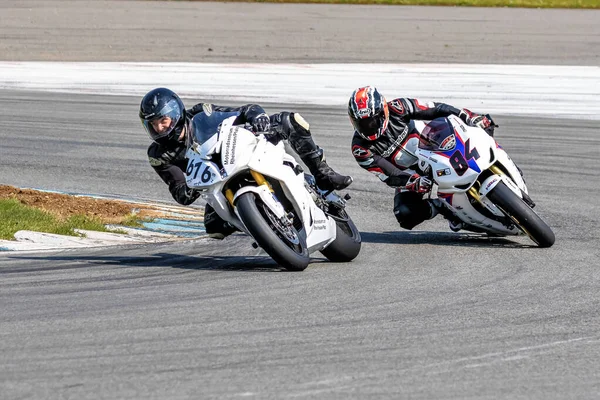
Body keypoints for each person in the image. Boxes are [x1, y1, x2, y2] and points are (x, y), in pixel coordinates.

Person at [140, 87, 352, 239]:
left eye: (162, 121)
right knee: (214, 228)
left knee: (291, 121)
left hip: (239, 150)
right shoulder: (159, 154)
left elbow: (243, 110)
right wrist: (193, 185)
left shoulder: (199, 113)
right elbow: (179, 192)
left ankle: (322, 173)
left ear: (175, 114)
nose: (159, 128)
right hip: (217, 183)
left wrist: (257, 117)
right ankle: (265, 228)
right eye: (153, 124)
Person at [348, 86, 497, 232]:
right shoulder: (360, 149)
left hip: (436, 148)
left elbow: (436, 109)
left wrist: (467, 116)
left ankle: (498, 163)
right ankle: (445, 208)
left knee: (483, 125)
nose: (369, 127)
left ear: (383, 111)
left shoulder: (398, 107)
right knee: (405, 214)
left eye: (373, 120)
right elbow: (388, 173)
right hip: (412, 174)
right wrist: (412, 181)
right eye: (362, 123)